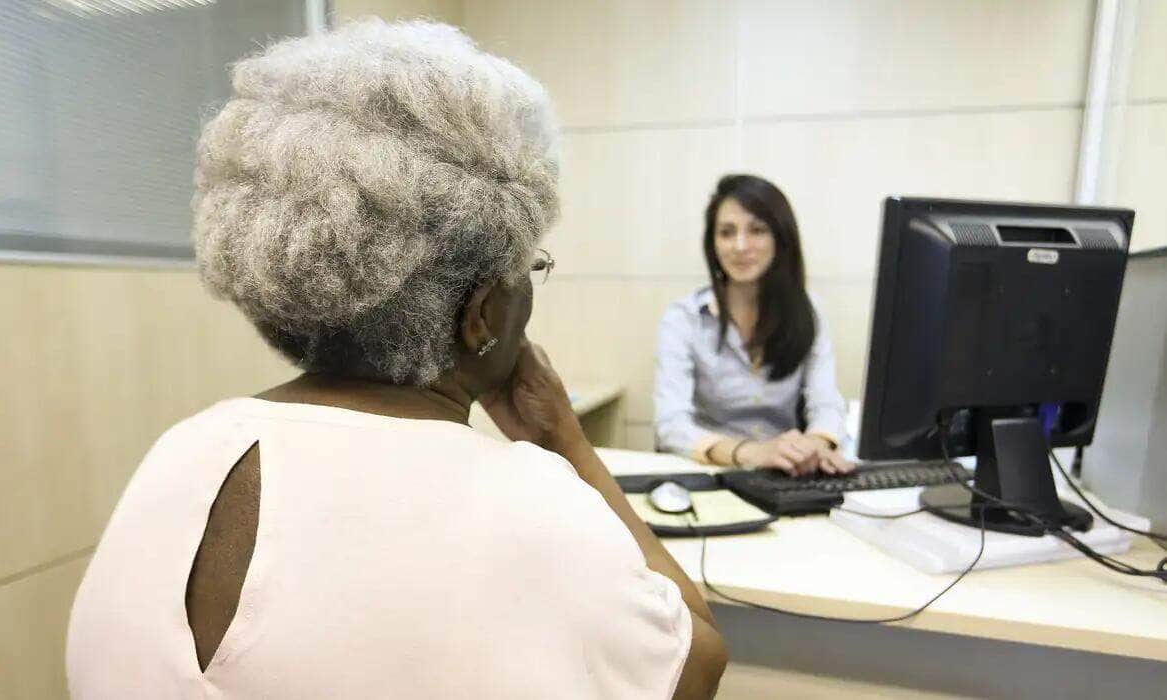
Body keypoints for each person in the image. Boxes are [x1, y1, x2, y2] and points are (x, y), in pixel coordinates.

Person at [67, 19, 726, 699]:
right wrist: (568, 444)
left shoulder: (180, 455)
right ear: (483, 313)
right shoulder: (535, 507)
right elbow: (698, 663)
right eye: (529, 267)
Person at [654, 174, 853, 475]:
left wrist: (814, 444)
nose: (740, 245)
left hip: (787, 472)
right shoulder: (683, 319)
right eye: (726, 232)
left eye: (757, 230)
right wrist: (751, 453)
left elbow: (826, 402)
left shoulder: (808, 311)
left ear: (780, 238)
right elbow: (670, 425)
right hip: (714, 472)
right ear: (713, 243)